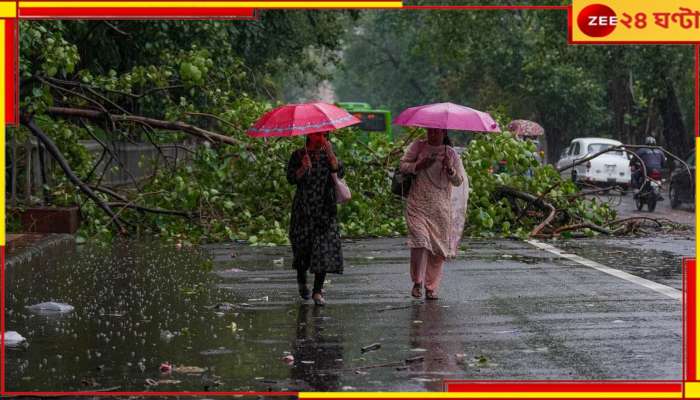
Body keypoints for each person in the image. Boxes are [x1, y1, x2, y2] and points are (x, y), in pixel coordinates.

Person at [399, 128, 469, 300]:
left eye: (437, 132)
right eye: (430, 131)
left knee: (438, 250)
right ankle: (417, 282)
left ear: (444, 133)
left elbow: (458, 181)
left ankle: (431, 287)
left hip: (440, 208)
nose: (432, 135)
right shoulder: (418, 147)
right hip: (417, 204)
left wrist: (450, 168)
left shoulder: (451, 154)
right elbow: (403, 166)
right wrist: (419, 165)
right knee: (420, 242)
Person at [286, 132, 344, 306]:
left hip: (325, 209)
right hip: (304, 209)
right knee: (302, 248)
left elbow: (339, 172)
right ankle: (301, 279)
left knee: (324, 249)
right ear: (309, 135)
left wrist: (331, 155)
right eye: (318, 134)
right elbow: (291, 178)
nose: (321, 138)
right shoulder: (298, 155)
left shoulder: (328, 154)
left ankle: (317, 291)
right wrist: (303, 168)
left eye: (324, 135)